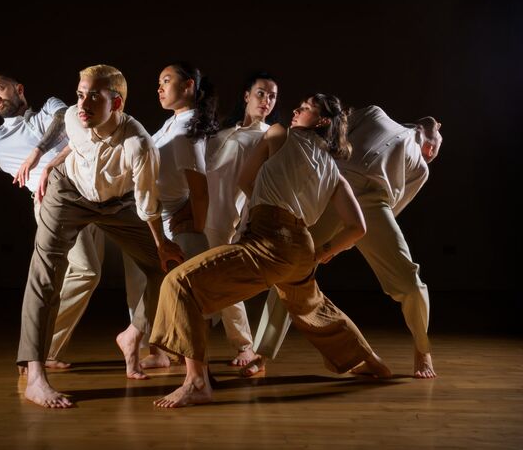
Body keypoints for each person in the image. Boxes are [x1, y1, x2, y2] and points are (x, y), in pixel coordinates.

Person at [150, 95, 391, 408]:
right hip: (300, 247)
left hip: (269, 239)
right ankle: (371, 361)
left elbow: (244, 179)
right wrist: (322, 252)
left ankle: (197, 382)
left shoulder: (280, 134)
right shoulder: (333, 169)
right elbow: (357, 227)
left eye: (305, 108)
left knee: (179, 283)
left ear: (322, 122)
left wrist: (264, 206)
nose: (295, 109)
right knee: (314, 309)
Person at [18, 64, 185, 408]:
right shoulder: (73, 116)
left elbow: (147, 202)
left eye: (94, 96)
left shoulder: (139, 143)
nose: (83, 103)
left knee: (164, 268)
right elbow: (70, 134)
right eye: (81, 94)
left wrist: (161, 243)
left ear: (117, 104)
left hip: (119, 203)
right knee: (44, 274)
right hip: (68, 194)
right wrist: (45, 160)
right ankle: (35, 375)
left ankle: (133, 334)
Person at [250, 106, 443, 378]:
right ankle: (262, 351)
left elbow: (398, 203)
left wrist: (344, 242)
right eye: (436, 145)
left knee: (410, 281)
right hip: (333, 188)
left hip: (374, 205)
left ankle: (423, 349)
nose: (434, 153)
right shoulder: (376, 115)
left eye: (435, 152)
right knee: (291, 266)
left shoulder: (421, 168)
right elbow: (333, 133)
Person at [0, 74, 104, 368]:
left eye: (0, 88)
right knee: (86, 272)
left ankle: (46, 350)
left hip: (94, 193)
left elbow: (65, 122)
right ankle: (40, 349)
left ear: (19, 89)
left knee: (87, 272)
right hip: (55, 202)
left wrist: (38, 152)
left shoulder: (51, 108)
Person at [123, 62, 219, 369]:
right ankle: (157, 347)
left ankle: (193, 369)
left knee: (188, 291)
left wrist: (193, 228)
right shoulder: (172, 123)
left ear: (189, 85)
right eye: (158, 82)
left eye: (167, 80)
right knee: (154, 286)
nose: (159, 87)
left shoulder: (185, 130)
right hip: (152, 217)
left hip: (170, 219)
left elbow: (199, 188)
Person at [203, 72, 279, 366]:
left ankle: (245, 346)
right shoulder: (222, 132)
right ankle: (176, 345)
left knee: (223, 282)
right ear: (247, 95)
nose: (267, 100)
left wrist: (248, 224)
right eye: (261, 93)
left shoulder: (268, 135)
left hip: (228, 217)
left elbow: (261, 185)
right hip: (198, 213)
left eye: (272, 96)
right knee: (193, 281)